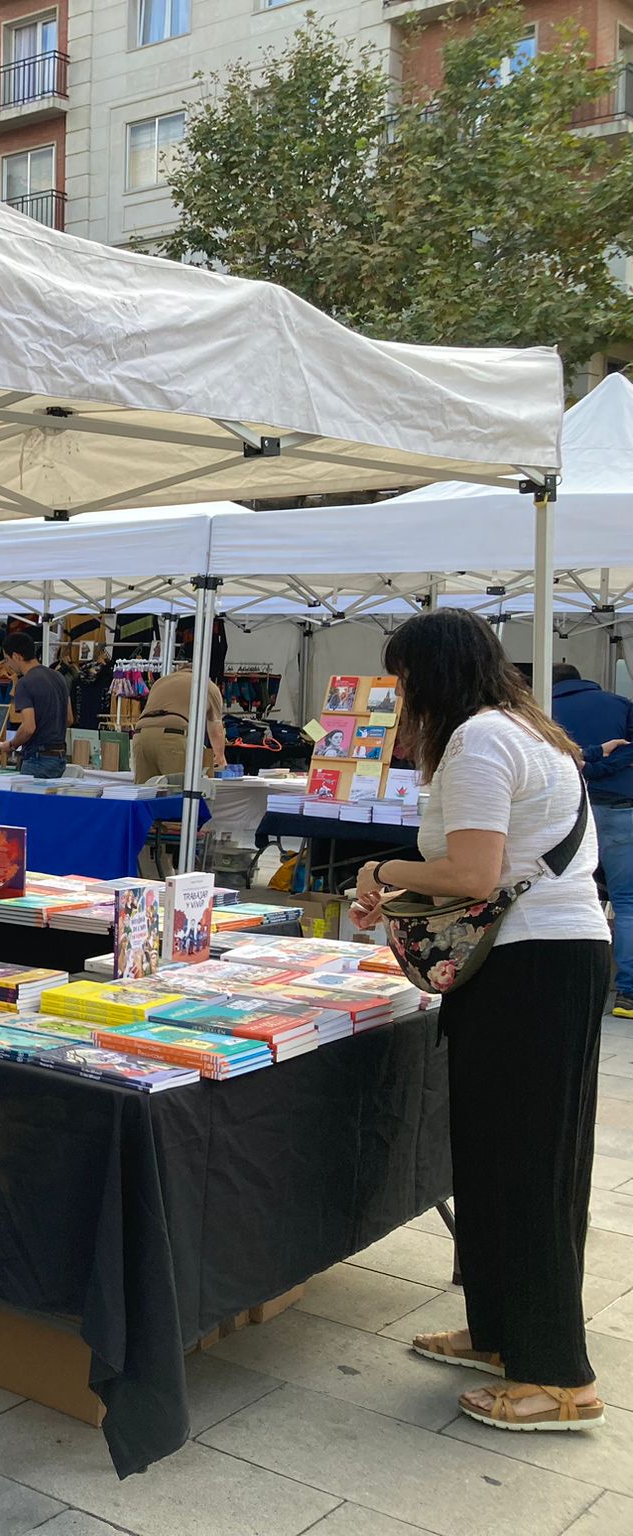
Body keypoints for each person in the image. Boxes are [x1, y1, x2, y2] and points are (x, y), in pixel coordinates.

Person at [350, 611, 606, 1433]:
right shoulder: (529, 730)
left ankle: (558, 1377)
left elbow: (473, 871)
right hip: (546, 961)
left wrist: (378, 868)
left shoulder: (479, 740)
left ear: (432, 676)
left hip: (530, 968)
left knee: (524, 1164)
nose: (400, 697)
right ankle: (501, 1334)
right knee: (501, 1156)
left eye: (403, 678)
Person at [550, 661, 633, 1016]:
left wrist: (587, 771)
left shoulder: (540, 711)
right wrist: (602, 768)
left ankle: (564, 985)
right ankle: (627, 995)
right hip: (619, 809)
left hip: (568, 813)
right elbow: (629, 749)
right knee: (626, 901)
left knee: (560, 895)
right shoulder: (620, 704)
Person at [132, 661, 227, 784]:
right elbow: (215, 725)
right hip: (172, 736)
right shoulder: (206, 684)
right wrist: (219, 757)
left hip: (140, 735)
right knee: (178, 790)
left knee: (145, 793)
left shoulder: (160, 682)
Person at [0, 633, 71, 778]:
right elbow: (69, 718)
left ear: (16, 656)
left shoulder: (25, 683)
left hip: (37, 759)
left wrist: (11, 744)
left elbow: (28, 727)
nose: (8, 665)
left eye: (7, 659)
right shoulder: (59, 677)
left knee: (28, 800)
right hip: (59, 758)